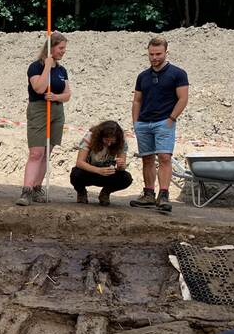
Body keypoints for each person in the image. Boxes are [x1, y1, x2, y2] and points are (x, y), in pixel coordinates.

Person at [130, 36, 189, 212]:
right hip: (144, 122)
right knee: (147, 158)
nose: (154, 57)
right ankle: (148, 193)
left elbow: (183, 98)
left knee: (164, 157)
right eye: (151, 54)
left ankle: (163, 194)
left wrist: (171, 119)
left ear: (166, 52)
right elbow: (137, 101)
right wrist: (136, 122)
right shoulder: (143, 76)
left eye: (158, 54)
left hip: (164, 122)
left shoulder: (178, 74)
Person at [16, 32, 71, 206]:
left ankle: (38, 187)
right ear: (51, 48)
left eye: (64, 48)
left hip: (56, 111)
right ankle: (27, 191)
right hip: (39, 110)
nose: (63, 51)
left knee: (47, 153)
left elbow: (67, 94)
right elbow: (39, 88)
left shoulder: (62, 70)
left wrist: (56, 97)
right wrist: (47, 66)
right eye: (60, 48)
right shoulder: (35, 67)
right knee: (36, 153)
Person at [69, 121, 132, 205]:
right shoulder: (90, 137)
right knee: (75, 174)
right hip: (89, 172)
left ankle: (105, 192)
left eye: (112, 141)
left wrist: (121, 165)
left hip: (107, 174)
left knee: (126, 178)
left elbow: (121, 168)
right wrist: (98, 170)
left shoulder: (121, 141)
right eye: (106, 140)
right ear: (100, 136)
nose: (109, 144)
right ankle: (81, 192)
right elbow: (80, 162)